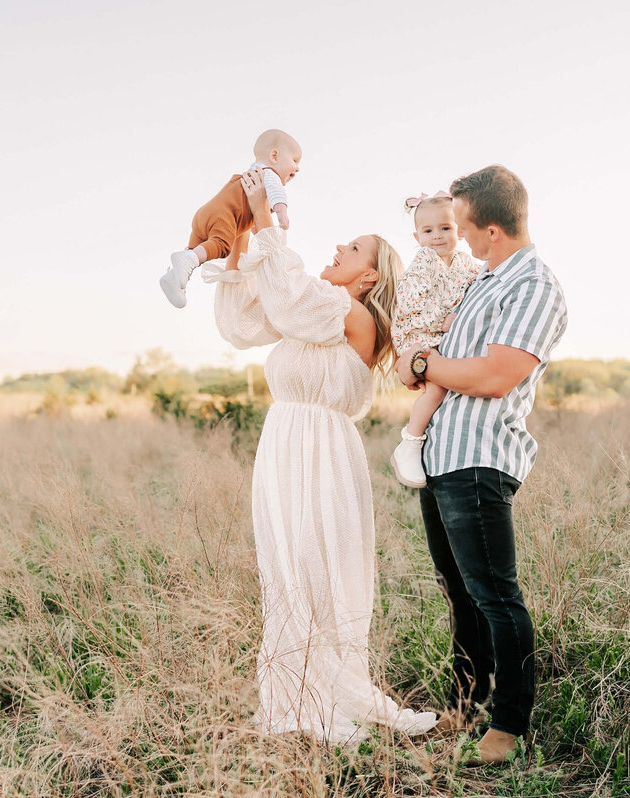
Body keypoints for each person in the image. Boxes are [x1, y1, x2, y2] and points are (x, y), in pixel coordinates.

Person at [207, 167, 437, 744]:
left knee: (317, 568)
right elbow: (243, 324)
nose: (338, 248)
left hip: (324, 452)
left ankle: (329, 692)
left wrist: (269, 227)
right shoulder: (312, 310)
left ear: (367, 277)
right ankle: (294, 693)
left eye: (353, 248)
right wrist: (240, 238)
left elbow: (289, 300)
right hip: (282, 446)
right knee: (286, 569)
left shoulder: (352, 316)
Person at [396, 165, 567, 765]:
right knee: (460, 596)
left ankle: (509, 725)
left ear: (491, 229)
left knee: (495, 595)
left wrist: (421, 367)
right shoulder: (482, 281)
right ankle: (465, 707)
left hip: (480, 458)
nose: (459, 238)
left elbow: (495, 376)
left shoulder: (533, 286)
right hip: (442, 455)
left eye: (465, 227)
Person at [389, 191, 482, 488]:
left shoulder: (465, 263)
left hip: (438, 333)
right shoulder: (425, 260)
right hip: (416, 332)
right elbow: (410, 300)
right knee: (437, 387)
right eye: (428, 231)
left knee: (455, 377)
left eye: (445, 228)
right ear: (417, 237)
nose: (437, 237)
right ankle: (410, 442)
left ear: (460, 231)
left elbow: (479, 282)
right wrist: (441, 321)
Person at [160, 129, 301, 308]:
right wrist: (282, 214)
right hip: (223, 217)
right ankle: (186, 261)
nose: (297, 168)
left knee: (196, 250)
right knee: (221, 245)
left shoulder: (250, 174)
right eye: (294, 160)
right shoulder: (268, 175)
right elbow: (277, 194)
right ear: (274, 155)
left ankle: (175, 278)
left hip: (206, 213)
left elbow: (252, 222)